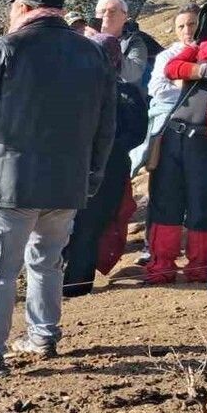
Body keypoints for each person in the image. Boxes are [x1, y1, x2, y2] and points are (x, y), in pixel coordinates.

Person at [0, 0, 115, 381]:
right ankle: (42, 336)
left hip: (10, 184)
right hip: (66, 182)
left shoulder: (5, 49)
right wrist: (91, 175)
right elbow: (106, 126)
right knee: (47, 263)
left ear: (22, 8)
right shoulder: (93, 53)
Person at [145, 0, 207, 284]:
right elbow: (172, 68)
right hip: (174, 134)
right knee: (165, 201)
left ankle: (199, 267)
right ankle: (161, 266)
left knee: (203, 205)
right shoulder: (197, 49)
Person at [62, 34, 149, 296]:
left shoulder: (127, 92)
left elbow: (136, 132)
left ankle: (75, 285)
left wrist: (105, 148)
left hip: (108, 167)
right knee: (59, 223)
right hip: (70, 165)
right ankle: (50, 280)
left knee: (90, 225)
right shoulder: (71, 88)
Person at [133, 4, 200, 175]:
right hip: (170, 130)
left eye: (192, 24)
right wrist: (190, 85)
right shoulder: (167, 56)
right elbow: (157, 89)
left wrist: (179, 82)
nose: (187, 30)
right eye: (181, 26)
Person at [95, 0, 157, 96]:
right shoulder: (85, 40)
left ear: (124, 16)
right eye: (102, 11)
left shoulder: (134, 42)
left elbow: (133, 75)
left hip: (123, 103)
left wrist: (106, 42)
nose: (106, 15)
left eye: (113, 11)